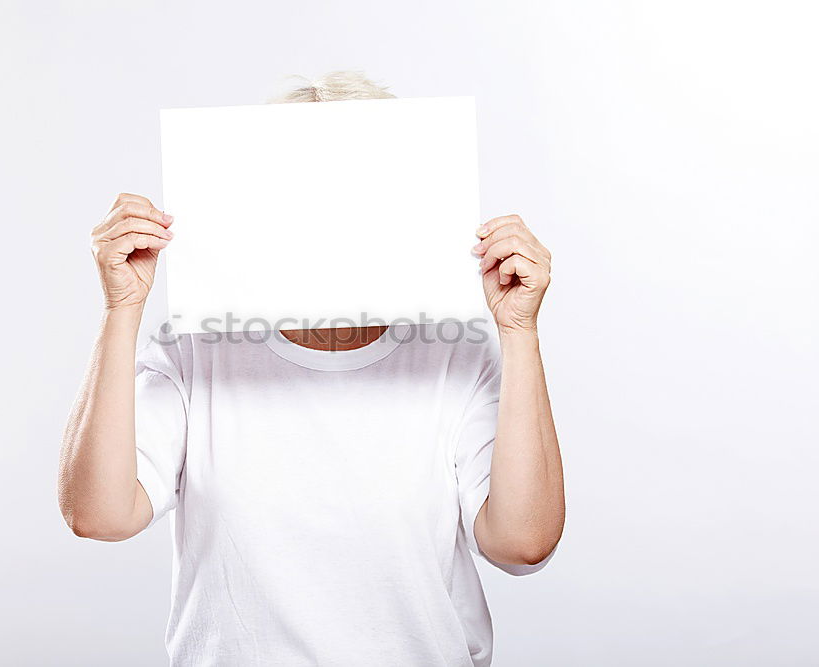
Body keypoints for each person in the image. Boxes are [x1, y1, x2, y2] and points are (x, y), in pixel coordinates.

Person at [59, 71, 565, 666]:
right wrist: (123, 309)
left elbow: (522, 542)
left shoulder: (454, 357)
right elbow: (99, 515)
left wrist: (519, 331)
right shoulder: (196, 353)